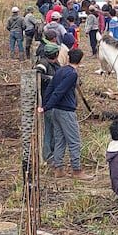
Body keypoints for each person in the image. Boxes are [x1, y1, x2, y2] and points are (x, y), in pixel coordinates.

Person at [37, 48, 94, 181]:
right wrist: (46, 107)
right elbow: (59, 91)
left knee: (60, 140)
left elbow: (51, 88)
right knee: (74, 141)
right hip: (66, 111)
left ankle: (59, 169)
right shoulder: (72, 74)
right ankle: (76, 170)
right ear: (80, 60)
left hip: (56, 110)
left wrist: (46, 105)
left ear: (68, 58)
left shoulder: (61, 70)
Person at [34, 43, 61, 164]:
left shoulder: (55, 64)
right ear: (56, 54)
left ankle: (50, 155)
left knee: (51, 129)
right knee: (53, 130)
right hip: (48, 102)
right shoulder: (44, 63)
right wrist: (51, 79)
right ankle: (50, 155)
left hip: (53, 102)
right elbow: (36, 74)